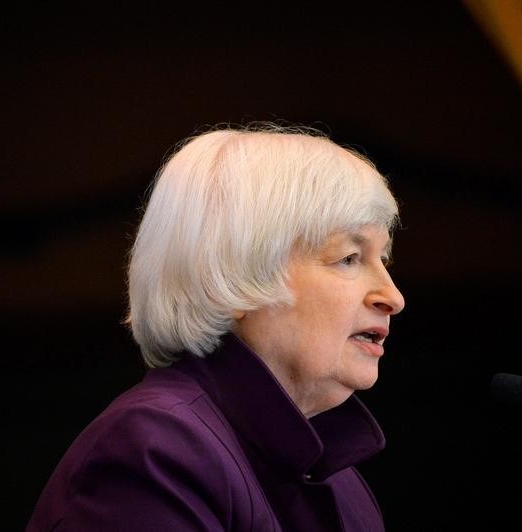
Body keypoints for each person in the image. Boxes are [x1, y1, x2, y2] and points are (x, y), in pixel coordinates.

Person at [26, 122, 405, 531]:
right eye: (348, 258)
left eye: (382, 259)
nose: (393, 297)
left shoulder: (342, 485)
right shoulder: (157, 452)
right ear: (235, 276)